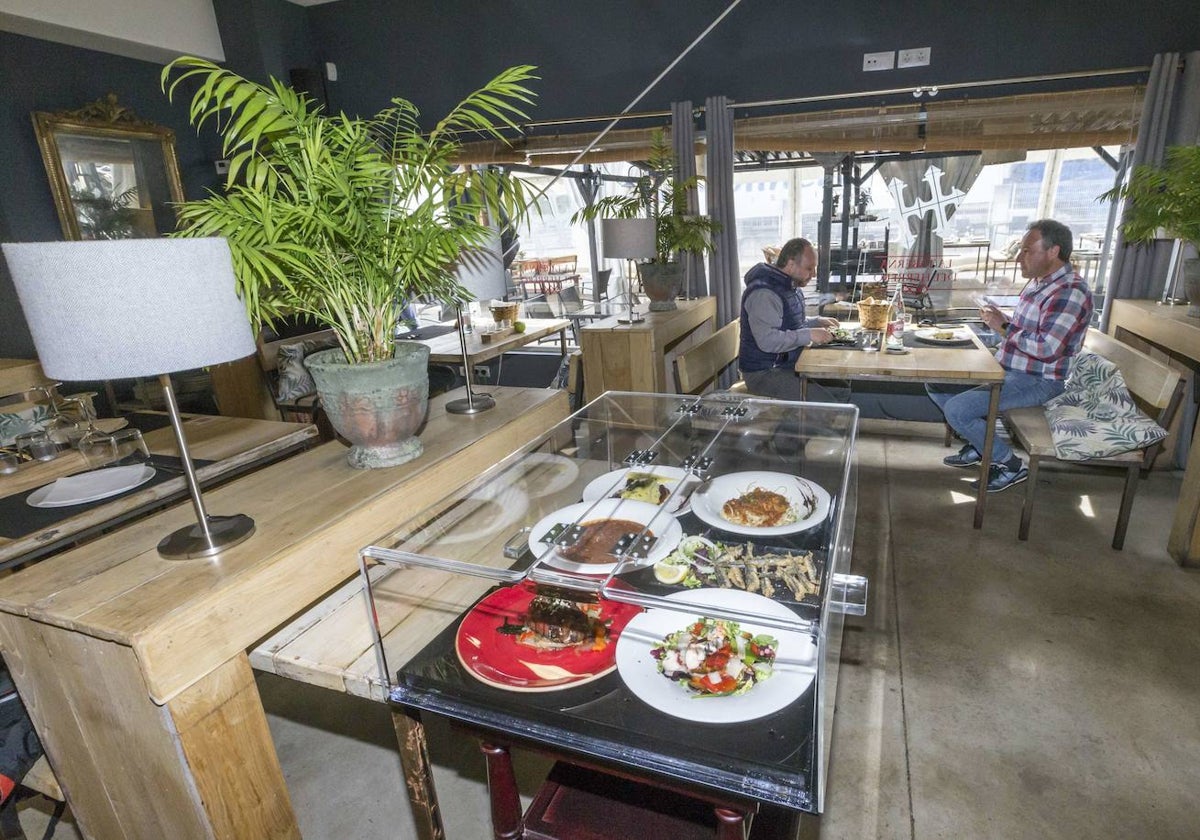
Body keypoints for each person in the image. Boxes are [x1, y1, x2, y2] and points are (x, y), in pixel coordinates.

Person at [928, 219, 1093, 492]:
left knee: (957, 410)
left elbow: (1047, 349)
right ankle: (983, 445)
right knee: (936, 381)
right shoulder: (1041, 283)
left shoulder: (1069, 291)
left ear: (1054, 251)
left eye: (1027, 250)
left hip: (1037, 380)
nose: (1019, 257)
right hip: (1012, 368)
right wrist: (1004, 319)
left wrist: (1002, 327)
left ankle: (1009, 464)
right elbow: (1030, 330)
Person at [738, 238, 847, 401]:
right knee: (829, 405)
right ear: (790, 264)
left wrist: (816, 321)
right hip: (764, 373)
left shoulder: (789, 284)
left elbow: (787, 322)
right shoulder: (764, 293)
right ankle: (789, 426)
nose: (814, 274)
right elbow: (768, 340)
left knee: (842, 389)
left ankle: (813, 424)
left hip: (787, 364)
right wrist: (809, 334)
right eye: (809, 268)